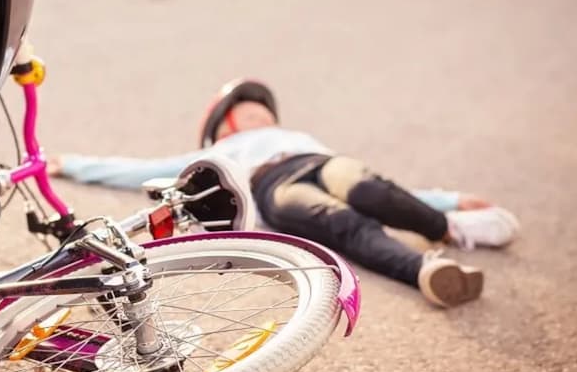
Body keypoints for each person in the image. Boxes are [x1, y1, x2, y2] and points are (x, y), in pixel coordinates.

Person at [49, 79, 520, 307]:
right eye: (247, 114)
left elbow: (391, 189)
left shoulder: (303, 137)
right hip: (274, 186)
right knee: (340, 223)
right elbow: (139, 171)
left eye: (262, 114)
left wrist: (449, 198)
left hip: (323, 165)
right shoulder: (229, 150)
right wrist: (71, 164)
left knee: (371, 190)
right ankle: (426, 271)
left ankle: (452, 228)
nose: (259, 118)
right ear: (224, 128)